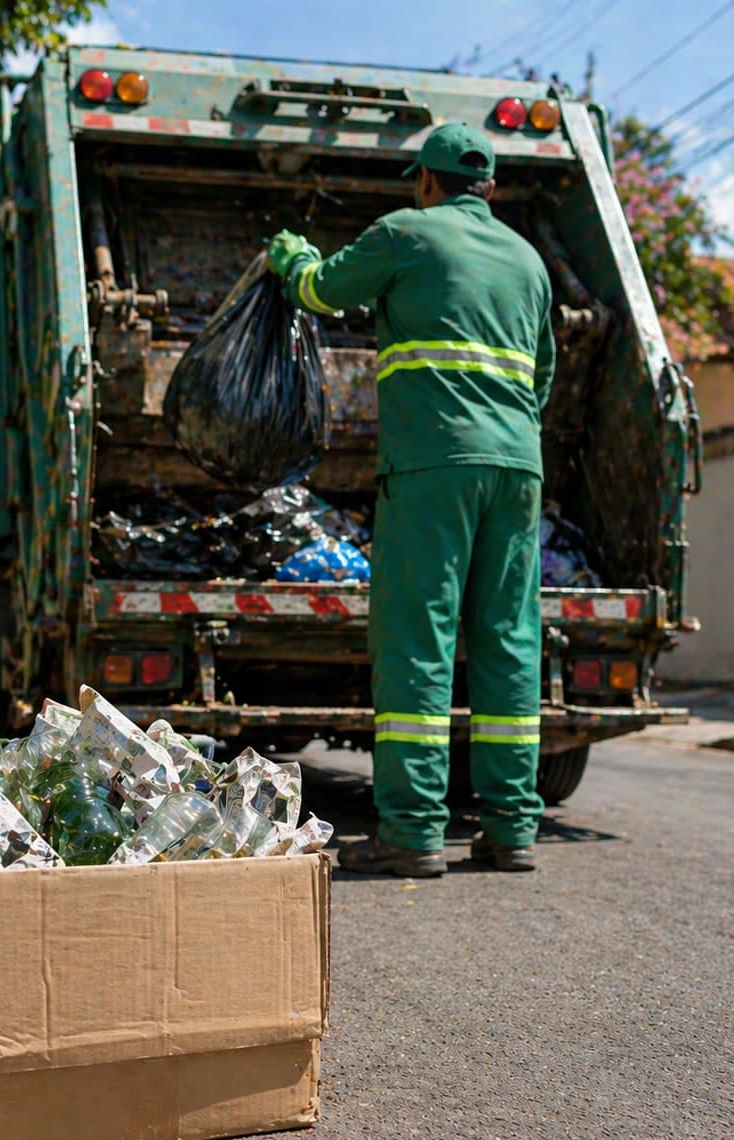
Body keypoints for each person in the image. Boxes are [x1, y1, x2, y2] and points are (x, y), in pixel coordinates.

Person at [267, 122, 555, 876]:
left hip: (433, 466)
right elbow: (544, 374)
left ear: (426, 181)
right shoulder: (528, 260)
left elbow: (319, 291)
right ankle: (511, 828)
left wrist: (290, 256)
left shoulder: (405, 233)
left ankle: (414, 831)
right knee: (507, 640)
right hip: (517, 466)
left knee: (419, 640)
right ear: (488, 187)